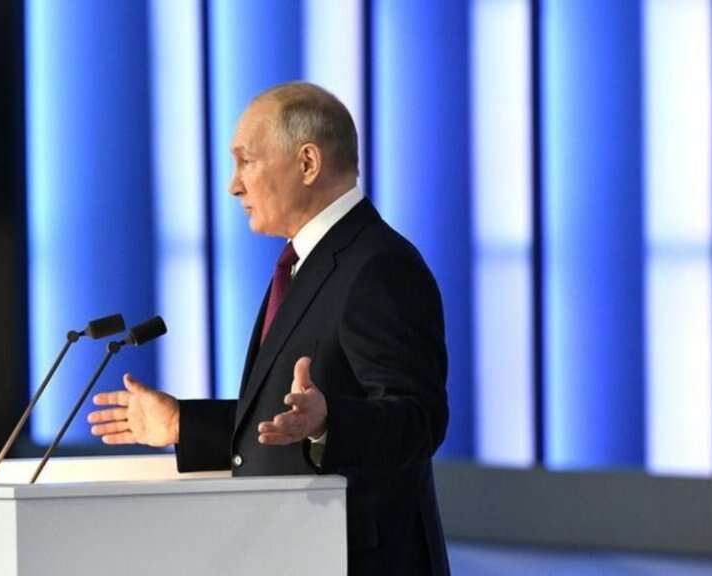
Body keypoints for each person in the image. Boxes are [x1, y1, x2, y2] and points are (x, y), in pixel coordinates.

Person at [87, 82, 450, 576]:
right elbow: (284, 424)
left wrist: (329, 422)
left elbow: (419, 421)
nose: (234, 185)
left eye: (246, 161)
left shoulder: (379, 266)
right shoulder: (305, 261)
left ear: (308, 163)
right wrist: (182, 425)